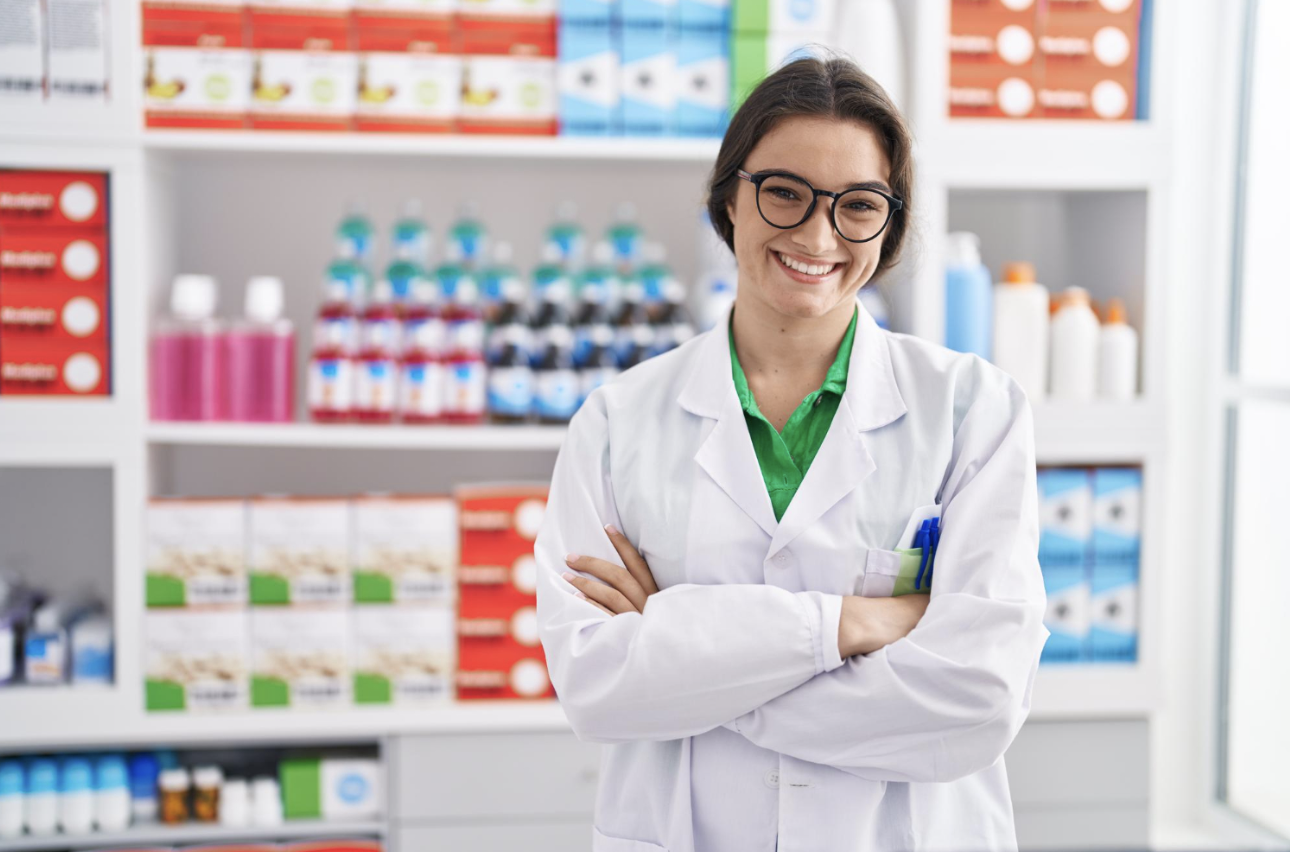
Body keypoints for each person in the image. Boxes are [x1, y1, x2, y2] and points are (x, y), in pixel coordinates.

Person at [535, 54, 1050, 852]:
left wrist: (688, 660)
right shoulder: (617, 422)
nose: (817, 234)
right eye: (784, 192)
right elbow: (598, 689)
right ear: (729, 199)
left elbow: (978, 698)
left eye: (858, 205)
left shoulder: (973, 411)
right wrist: (853, 624)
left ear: (891, 222)